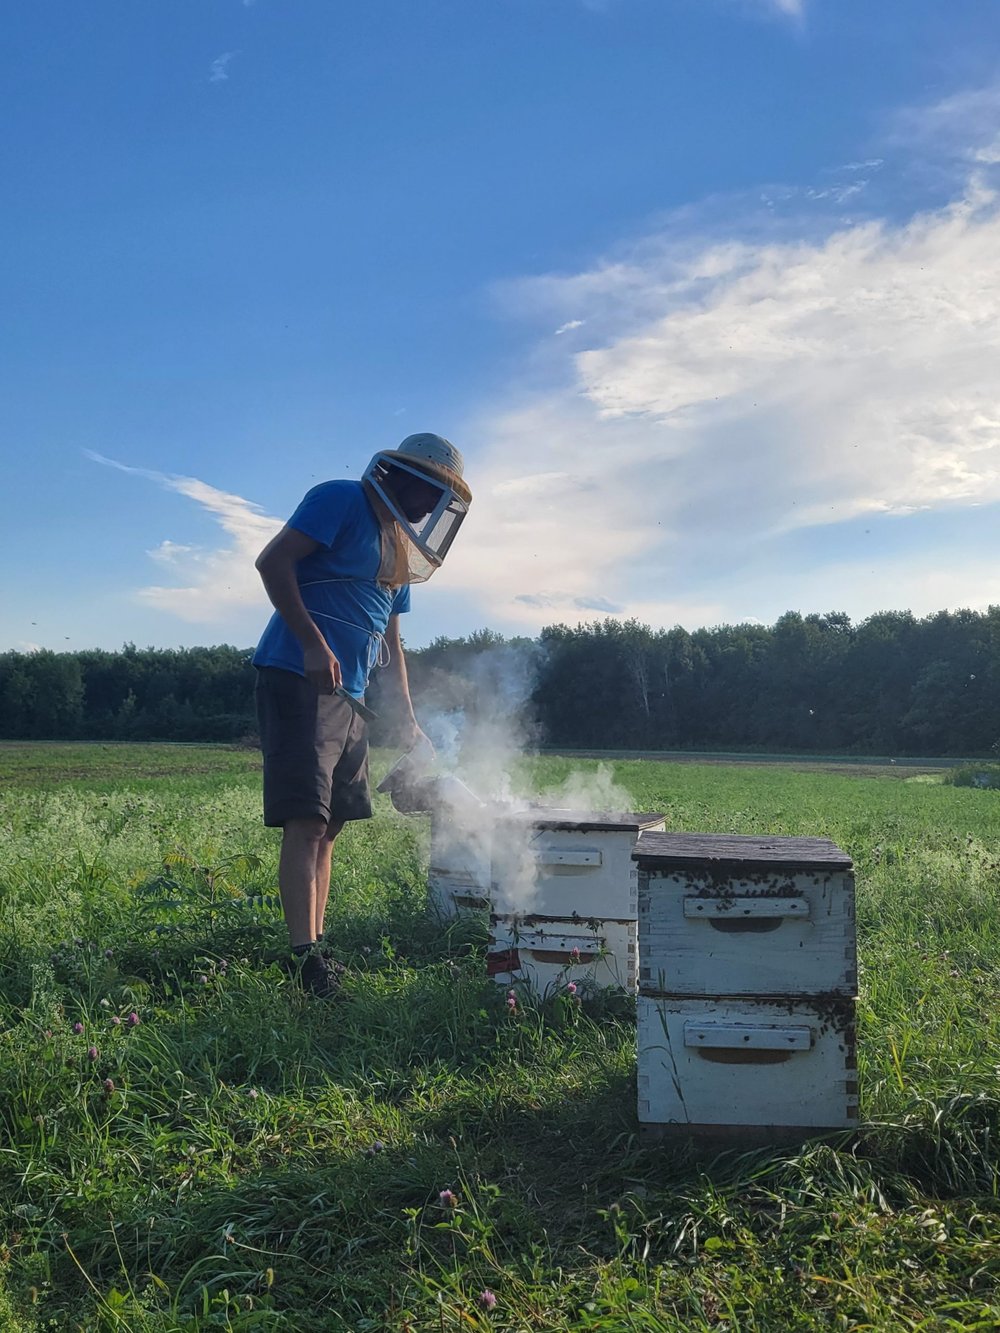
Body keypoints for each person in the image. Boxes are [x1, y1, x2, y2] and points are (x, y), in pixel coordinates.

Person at [252, 433, 472, 996]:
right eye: (427, 488)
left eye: (442, 497)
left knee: (331, 825)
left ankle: (316, 949)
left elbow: (390, 643)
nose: (430, 505)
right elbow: (273, 561)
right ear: (396, 475)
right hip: (299, 676)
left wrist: (408, 717)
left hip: (351, 695)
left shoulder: (399, 547)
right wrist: (310, 642)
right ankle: (305, 963)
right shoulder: (339, 500)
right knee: (306, 818)